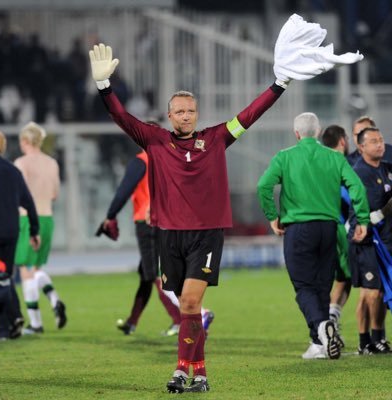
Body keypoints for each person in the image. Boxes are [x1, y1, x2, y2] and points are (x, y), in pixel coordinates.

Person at [89, 14, 364, 391]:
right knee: (187, 307)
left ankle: (180, 371)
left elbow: (250, 115)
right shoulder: (154, 140)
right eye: (180, 111)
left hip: (205, 234)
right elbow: (120, 115)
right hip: (169, 233)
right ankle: (198, 373)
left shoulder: (217, 138)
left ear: (196, 113)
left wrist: (279, 84)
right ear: (170, 116)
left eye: (191, 110)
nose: (186, 115)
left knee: (188, 302)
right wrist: (104, 85)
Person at [257, 112, 369, 360]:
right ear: (318, 133)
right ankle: (319, 343)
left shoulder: (285, 157)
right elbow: (357, 187)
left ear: (296, 134)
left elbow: (264, 185)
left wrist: (272, 215)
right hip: (328, 228)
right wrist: (361, 218)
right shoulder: (334, 157)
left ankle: (322, 326)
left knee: (304, 286)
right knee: (321, 285)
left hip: (299, 229)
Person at [97, 128, 215, 338]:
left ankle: (196, 315)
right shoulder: (170, 160)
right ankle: (132, 322)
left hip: (147, 222)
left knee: (155, 275)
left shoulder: (141, 160)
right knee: (147, 273)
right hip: (170, 221)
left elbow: (124, 190)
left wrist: (110, 215)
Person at [13, 122, 66, 334]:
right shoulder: (52, 163)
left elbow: (20, 194)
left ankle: (35, 324)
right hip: (47, 217)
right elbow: (55, 194)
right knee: (36, 269)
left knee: (25, 270)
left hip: (27, 219)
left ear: (25, 141)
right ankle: (54, 300)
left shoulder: (21, 163)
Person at [348, 127, 392, 354]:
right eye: (374, 141)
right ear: (361, 146)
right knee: (371, 292)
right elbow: (368, 208)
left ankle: (377, 339)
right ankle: (366, 340)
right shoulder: (359, 172)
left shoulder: (386, 169)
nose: (380, 144)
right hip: (365, 239)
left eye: (381, 139)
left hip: (385, 239)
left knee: (380, 292)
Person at [0, 129, 40, 340]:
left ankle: (3, 327)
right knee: (5, 277)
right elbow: (29, 203)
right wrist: (34, 230)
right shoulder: (13, 171)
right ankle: (15, 318)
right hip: (12, 232)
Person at [321, 125, 352, 343]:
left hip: (313, 229)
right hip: (341, 228)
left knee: (328, 280)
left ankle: (327, 324)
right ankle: (329, 325)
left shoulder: (318, 163)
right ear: (343, 141)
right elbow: (349, 196)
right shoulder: (342, 164)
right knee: (346, 278)